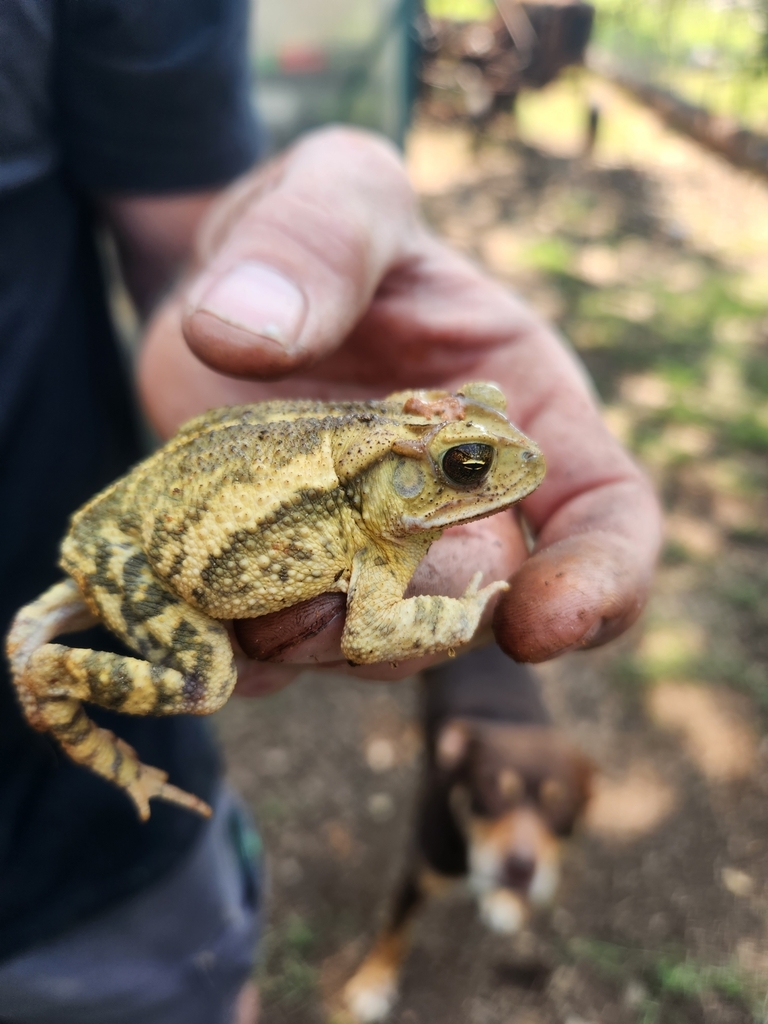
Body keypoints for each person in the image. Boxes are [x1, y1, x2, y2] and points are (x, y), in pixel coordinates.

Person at [0, 1, 662, 1022]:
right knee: (207, 665)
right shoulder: (373, 532)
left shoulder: (386, 491)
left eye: (473, 441)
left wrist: (233, 276)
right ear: (410, 469)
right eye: (464, 465)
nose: (498, 469)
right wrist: (462, 611)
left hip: (108, 884)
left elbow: (180, 240)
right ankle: (64, 692)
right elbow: (383, 616)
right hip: (147, 544)